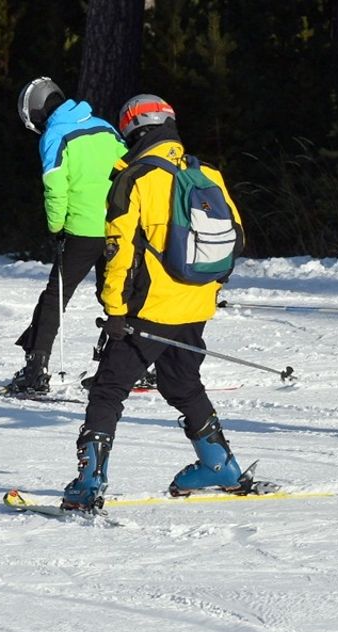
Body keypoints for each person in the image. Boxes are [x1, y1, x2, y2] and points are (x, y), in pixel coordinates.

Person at [61, 94, 251, 512]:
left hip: (148, 311)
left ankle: (90, 479)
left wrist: (114, 311)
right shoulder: (208, 174)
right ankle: (220, 466)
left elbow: (118, 252)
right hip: (196, 304)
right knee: (182, 383)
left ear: (133, 130)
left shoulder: (136, 177)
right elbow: (237, 239)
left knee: (109, 389)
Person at [8, 77, 127, 394]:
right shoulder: (104, 126)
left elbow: (55, 188)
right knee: (115, 293)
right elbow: (127, 170)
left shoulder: (54, 135)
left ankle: (36, 366)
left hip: (82, 230)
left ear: (36, 112)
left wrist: (56, 227)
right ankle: (129, 362)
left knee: (55, 297)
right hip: (117, 227)